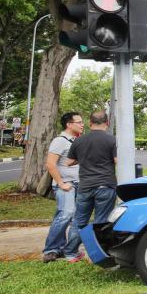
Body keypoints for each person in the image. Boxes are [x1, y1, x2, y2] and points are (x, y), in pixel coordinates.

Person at [62, 111, 118, 261]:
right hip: (105, 186)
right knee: (101, 222)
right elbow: (117, 160)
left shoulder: (79, 141)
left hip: (85, 186)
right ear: (107, 123)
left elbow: (68, 162)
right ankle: (99, 254)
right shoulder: (112, 140)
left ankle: (70, 253)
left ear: (90, 123)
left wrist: (85, 159)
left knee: (79, 221)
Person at [42, 112, 84, 263]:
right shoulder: (60, 141)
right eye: (78, 122)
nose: (82, 124)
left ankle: (62, 249)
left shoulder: (76, 140)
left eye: (82, 122)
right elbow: (50, 164)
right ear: (69, 125)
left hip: (79, 184)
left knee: (67, 216)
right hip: (66, 185)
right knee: (66, 213)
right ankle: (51, 250)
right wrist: (60, 183)